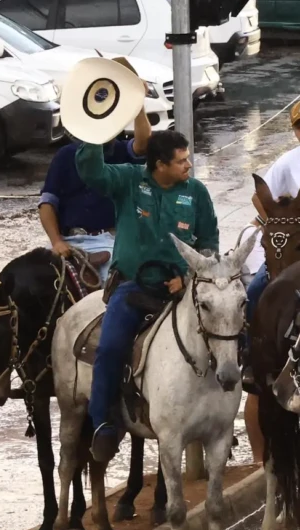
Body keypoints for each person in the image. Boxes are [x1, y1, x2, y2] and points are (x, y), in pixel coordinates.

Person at [76, 128, 218, 457]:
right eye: (181, 161)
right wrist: (95, 131)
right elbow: (92, 172)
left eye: (188, 160)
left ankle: (219, 410)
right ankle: (102, 424)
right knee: (110, 349)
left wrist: (186, 275)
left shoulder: (196, 193)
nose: (189, 167)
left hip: (182, 289)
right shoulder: (127, 181)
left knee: (226, 331)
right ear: (159, 165)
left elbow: (209, 243)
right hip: (132, 287)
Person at [41, 112, 143, 265]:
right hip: (68, 240)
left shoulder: (123, 152)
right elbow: (47, 204)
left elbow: (144, 143)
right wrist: (56, 242)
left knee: (112, 277)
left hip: (108, 240)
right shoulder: (65, 154)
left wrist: (138, 106)